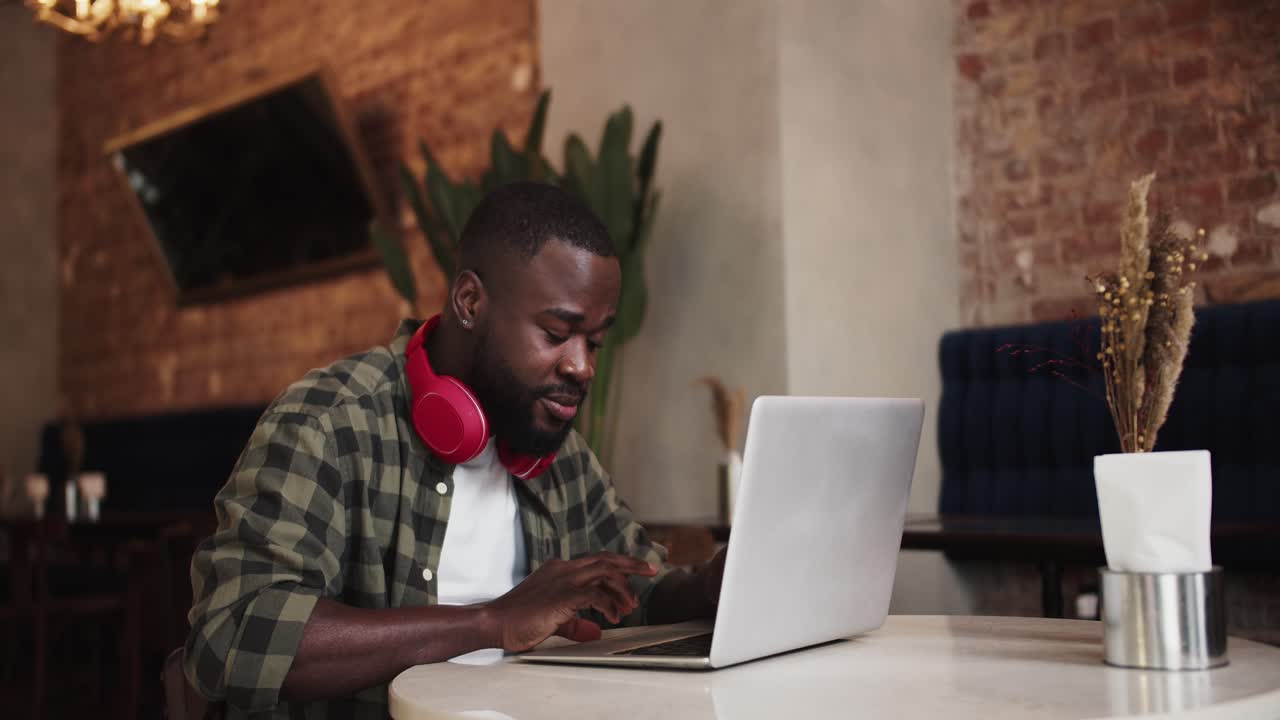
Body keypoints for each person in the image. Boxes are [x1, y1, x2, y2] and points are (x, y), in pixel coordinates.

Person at [184, 182, 727, 718]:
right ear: (470, 302)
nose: (581, 366)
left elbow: (641, 596)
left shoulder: (559, 452)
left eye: (595, 342)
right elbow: (234, 634)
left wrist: (715, 585)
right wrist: (489, 623)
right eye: (558, 332)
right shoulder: (330, 422)